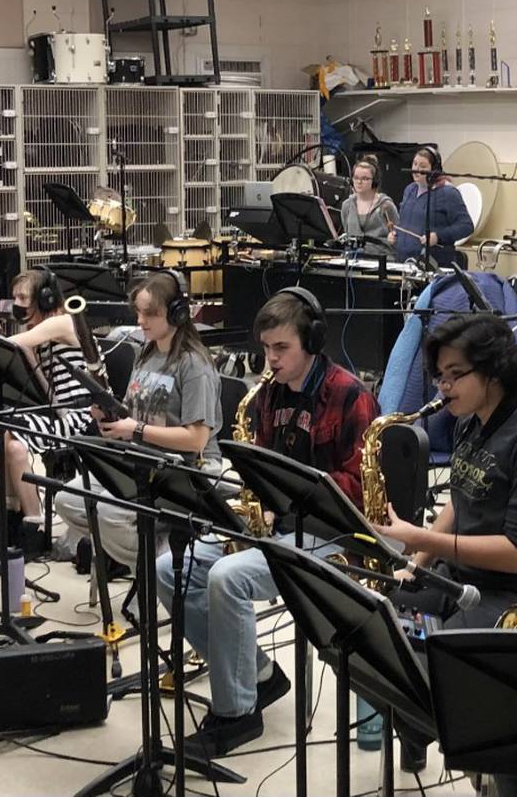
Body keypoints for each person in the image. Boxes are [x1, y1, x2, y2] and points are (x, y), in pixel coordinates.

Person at [153, 287, 379, 755]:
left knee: (226, 577)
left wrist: (289, 496)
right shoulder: (266, 397)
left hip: (330, 536)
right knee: (169, 569)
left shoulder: (350, 396)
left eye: (282, 349)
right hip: (276, 526)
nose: (270, 359)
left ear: (312, 342)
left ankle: (236, 715)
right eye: (265, 348)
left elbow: (359, 490)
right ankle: (257, 672)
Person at [373, 312, 517, 772]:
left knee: (438, 661)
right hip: (461, 575)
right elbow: (459, 504)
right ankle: (419, 722)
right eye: (440, 376)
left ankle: (452, 731)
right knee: (373, 621)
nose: (443, 387)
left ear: (495, 370)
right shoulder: (470, 421)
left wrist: (422, 539)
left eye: (456, 375)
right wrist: (415, 561)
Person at [51, 271, 222, 569]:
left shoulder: (194, 365)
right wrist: (110, 416)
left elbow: (196, 439)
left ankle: (163, 569)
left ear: (177, 314)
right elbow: (132, 411)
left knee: (108, 513)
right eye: (138, 312)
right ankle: (149, 559)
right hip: (141, 461)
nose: (140, 321)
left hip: (184, 471)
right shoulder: (147, 352)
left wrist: (137, 429)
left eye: (150, 314)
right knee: (68, 500)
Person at [0, 269, 97, 550]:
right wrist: (31, 359)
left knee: (14, 441)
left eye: (23, 297)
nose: (17, 304)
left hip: (83, 415)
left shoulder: (62, 323)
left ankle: (33, 524)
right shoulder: (39, 335)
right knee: (3, 432)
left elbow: (7, 344)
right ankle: (11, 516)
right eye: (14, 297)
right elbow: (47, 392)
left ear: (44, 299)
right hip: (62, 412)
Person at [393, 146, 473, 269]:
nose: (416, 169)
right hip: (403, 263)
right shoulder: (410, 190)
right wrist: (396, 234)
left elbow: (466, 226)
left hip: (433, 265)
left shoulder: (448, 193)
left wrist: (438, 236)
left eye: (423, 166)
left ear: (434, 170)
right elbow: (405, 222)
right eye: (414, 164)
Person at [338, 157, 399, 257]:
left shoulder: (386, 205)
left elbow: (397, 234)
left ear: (374, 181)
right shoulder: (347, 205)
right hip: (353, 260)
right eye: (356, 178)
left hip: (380, 259)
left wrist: (393, 237)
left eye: (365, 178)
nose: (359, 182)